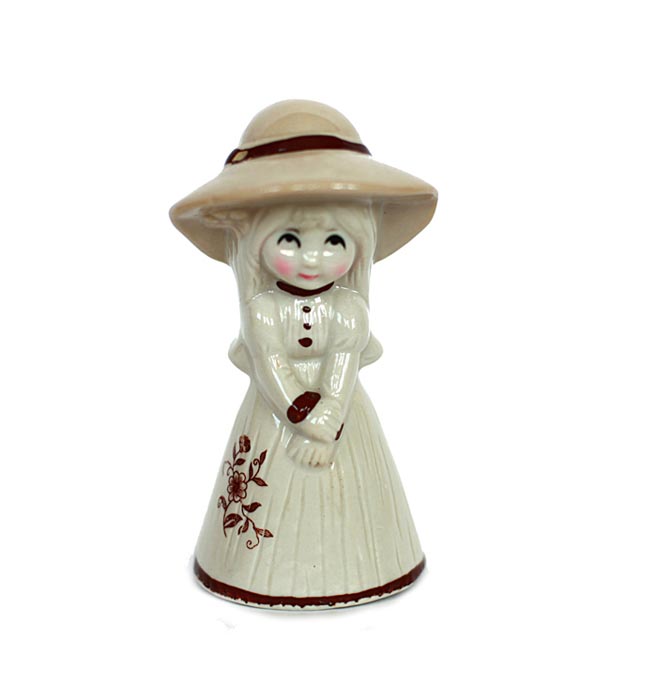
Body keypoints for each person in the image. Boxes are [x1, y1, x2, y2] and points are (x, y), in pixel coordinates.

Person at [170, 100, 438, 608]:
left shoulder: (350, 310)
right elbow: (271, 366)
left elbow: (342, 370)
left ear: (360, 245)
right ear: (254, 244)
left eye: (334, 240)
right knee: (266, 493)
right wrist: (304, 418)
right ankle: (252, 571)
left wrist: (328, 425)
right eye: (290, 239)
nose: (313, 258)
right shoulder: (264, 311)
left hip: (341, 417)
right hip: (279, 414)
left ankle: (368, 563)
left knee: (353, 499)